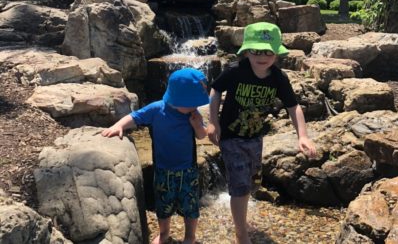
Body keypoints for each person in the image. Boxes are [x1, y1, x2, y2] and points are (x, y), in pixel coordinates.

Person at [207, 22, 317, 244]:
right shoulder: (236, 71)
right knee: (239, 185)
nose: (262, 56)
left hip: (256, 137)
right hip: (231, 137)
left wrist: (302, 136)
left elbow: (293, 107)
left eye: (268, 51)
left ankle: (242, 213)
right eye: (256, 51)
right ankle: (241, 234)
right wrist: (213, 122)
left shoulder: (278, 78)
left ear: (276, 53)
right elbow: (216, 90)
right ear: (247, 51)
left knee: (251, 181)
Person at [102, 68, 209, 244]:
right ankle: (164, 232)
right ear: (179, 99)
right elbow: (135, 116)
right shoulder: (157, 109)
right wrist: (119, 125)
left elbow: (201, 136)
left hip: (188, 170)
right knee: (163, 206)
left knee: (190, 207)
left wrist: (198, 126)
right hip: (162, 170)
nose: (196, 107)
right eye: (193, 103)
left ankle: (190, 236)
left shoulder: (193, 114)